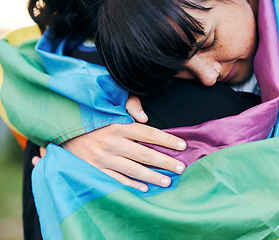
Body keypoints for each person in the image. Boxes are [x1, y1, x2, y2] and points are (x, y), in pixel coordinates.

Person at [5, 0, 260, 239]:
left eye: (209, 41)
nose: (208, 75)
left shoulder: (53, 73)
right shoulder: (93, 77)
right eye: (175, 68)